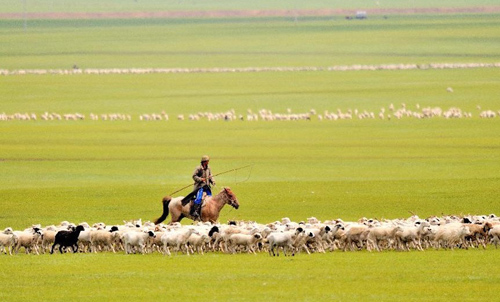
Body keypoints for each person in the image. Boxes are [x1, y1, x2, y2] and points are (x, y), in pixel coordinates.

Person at [189, 155, 215, 220]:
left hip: (207, 186)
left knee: (210, 199)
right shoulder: (198, 168)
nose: (208, 162)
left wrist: (212, 181)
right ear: (204, 162)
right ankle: (194, 211)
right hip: (199, 187)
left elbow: (210, 175)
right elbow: (194, 176)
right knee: (199, 198)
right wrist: (200, 179)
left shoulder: (209, 168)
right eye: (207, 161)